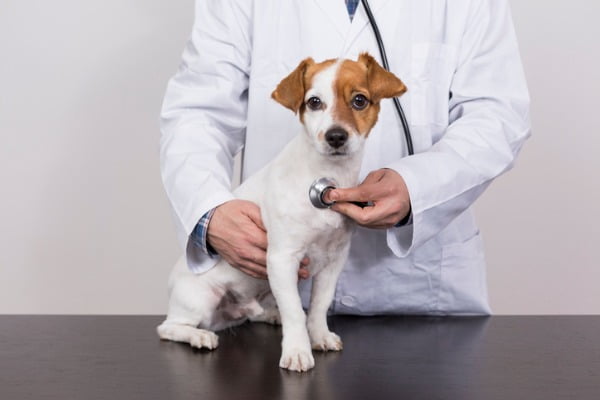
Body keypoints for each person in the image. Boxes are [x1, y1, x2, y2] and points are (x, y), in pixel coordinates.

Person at [159, 0, 531, 315]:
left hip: (419, 292)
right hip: (272, 296)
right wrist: (210, 212)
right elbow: (198, 112)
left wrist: (418, 186)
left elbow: (497, 114)